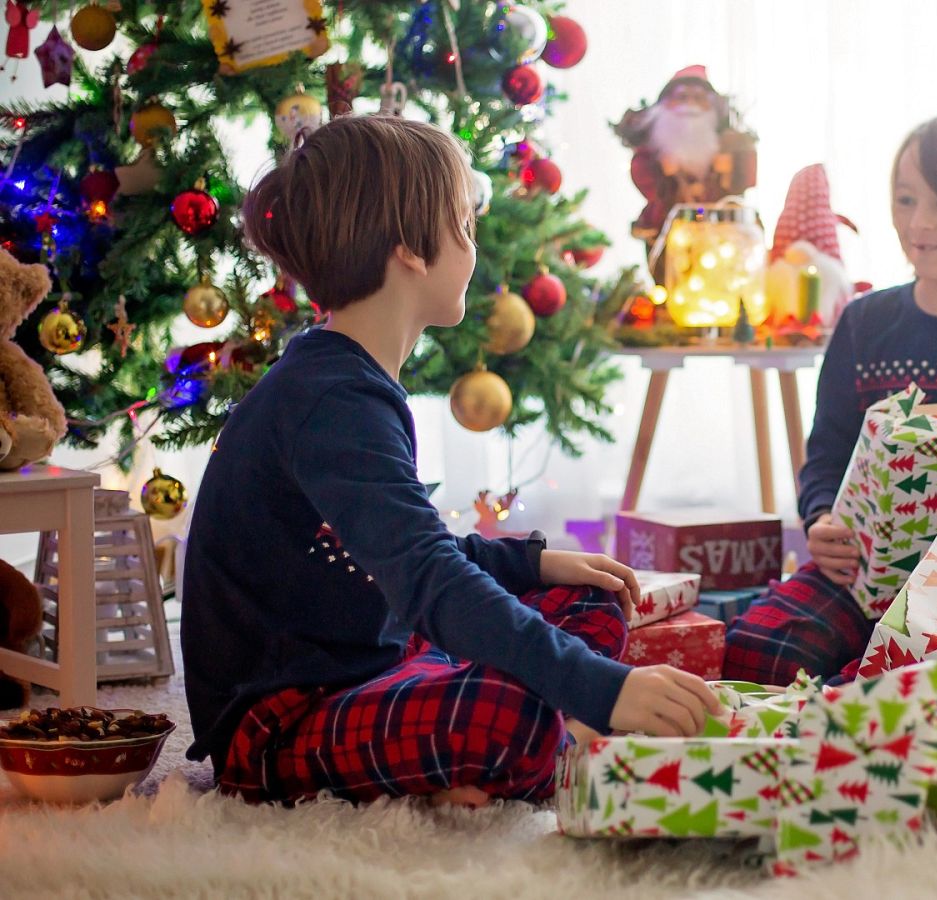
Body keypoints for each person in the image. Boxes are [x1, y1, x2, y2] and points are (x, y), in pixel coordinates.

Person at [181, 115, 719, 806]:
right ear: (409, 249)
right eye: (465, 225)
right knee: (507, 714)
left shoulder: (348, 378)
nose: (474, 246)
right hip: (284, 717)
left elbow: (391, 549)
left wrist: (528, 562)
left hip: (373, 658)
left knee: (592, 596)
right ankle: (518, 746)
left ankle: (478, 758)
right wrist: (601, 690)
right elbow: (428, 580)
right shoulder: (331, 398)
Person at [723, 113, 937, 685]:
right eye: (906, 199)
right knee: (759, 652)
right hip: (858, 576)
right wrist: (822, 520)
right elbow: (827, 455)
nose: (919, 223)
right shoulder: (865, 322)